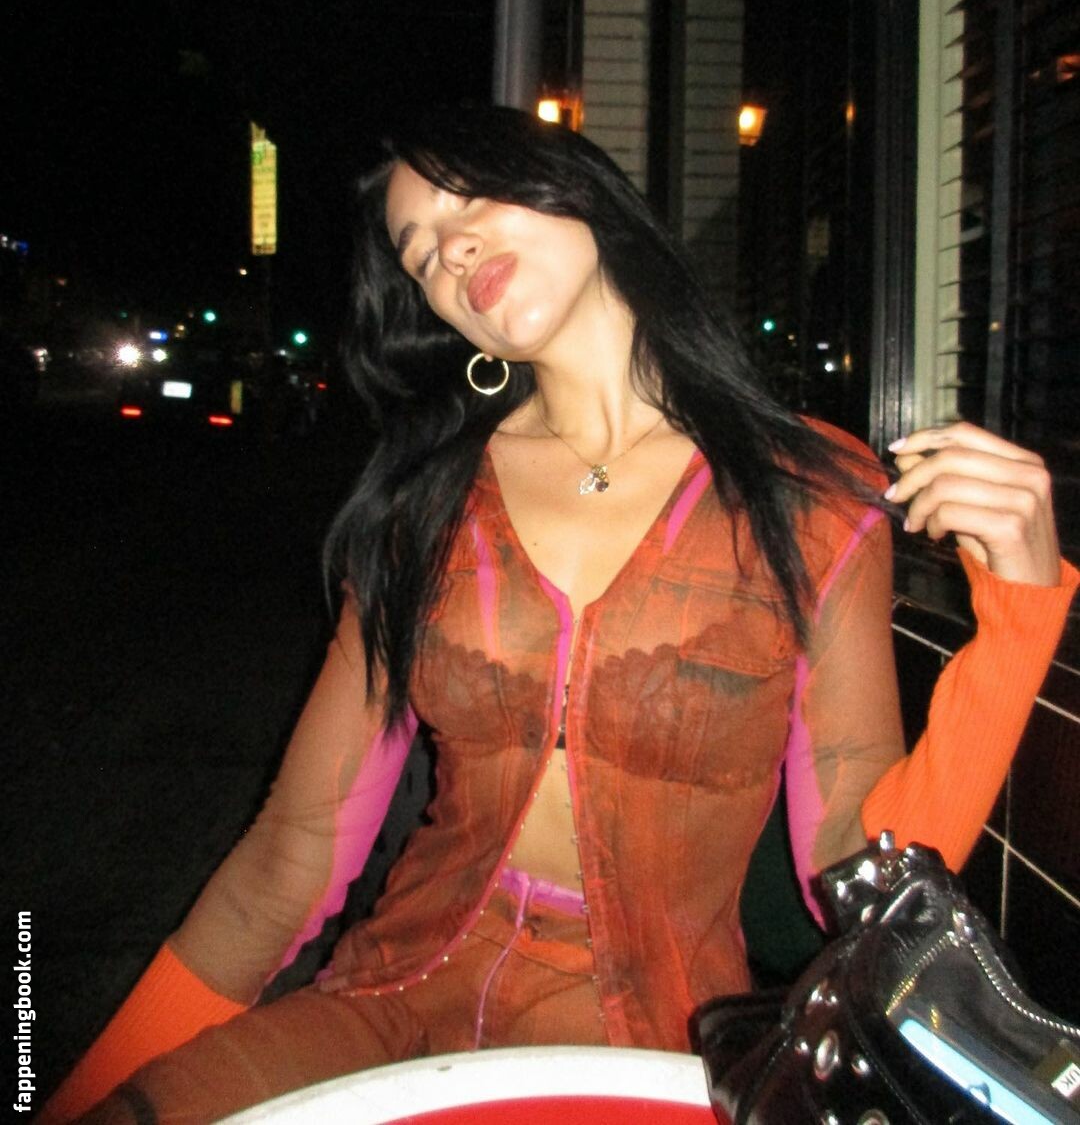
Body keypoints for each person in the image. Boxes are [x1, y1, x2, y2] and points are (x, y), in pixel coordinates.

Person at [46, 106, 1077, 1123]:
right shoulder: (424, 505)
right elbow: (294, 848)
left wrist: (1021, 620)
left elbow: (860, 869)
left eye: (471, 199)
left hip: (652, 1039)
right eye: (419, 253)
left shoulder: (803, 495)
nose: (450, 250)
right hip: (385, 1001)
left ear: (580, 192)